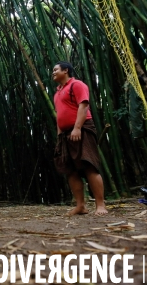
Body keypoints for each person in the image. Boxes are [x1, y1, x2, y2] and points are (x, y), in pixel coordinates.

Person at [52, 62, 108, 216]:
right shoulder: (57, 93)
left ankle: (100, 205)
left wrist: (77, 128)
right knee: (70, 170)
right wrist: (60, 137)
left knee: (89, 164)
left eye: (55, 70)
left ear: (66, 70)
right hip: (65, 134)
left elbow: (83, 107)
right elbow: (59, 116)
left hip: (82, 129)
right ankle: (80, 206)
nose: (53, 73)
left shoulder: (77, 85)